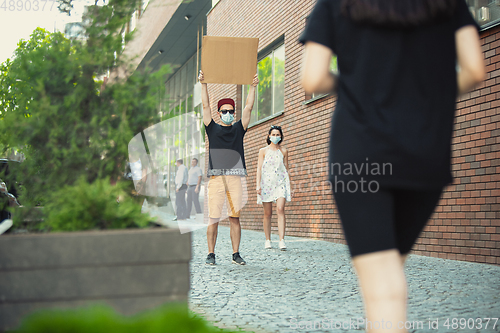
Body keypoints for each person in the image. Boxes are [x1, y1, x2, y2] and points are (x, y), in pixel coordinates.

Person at [299, 0, 484, 331]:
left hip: (359, 156)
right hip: (425, 154)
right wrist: (426, 97)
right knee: (389, 268)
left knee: (383, 288)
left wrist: (355, 85)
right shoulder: (447, 4)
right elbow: (475, 70)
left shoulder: (336, 4)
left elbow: (311, 79)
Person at [199, 69, 259, 266]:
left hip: (235, 178)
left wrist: (253, 86)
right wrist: (203, 83)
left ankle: (235, 254)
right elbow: (206, 105)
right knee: (213, 218)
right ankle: (211, 254)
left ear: (234, 113)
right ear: (219, 113)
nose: (227, 114)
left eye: (230, 111)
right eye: (224, 111)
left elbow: (249, 107)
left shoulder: (238, 128)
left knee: (235, 218)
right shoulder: (211, 127)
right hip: (216, 178)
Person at [256, 125, 292, 250]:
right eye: (273, 134)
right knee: (268, 213)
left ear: (281, 136)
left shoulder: (284, 151)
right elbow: (259, 169)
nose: (275, 137)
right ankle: (268, 240)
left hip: (280, 183)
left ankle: (282, 240)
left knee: (280, 209)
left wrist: (287, 184)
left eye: (278, 135)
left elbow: (286, 168)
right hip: (266, 184)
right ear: (269, 136)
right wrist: (257, 184)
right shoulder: (263, 151)